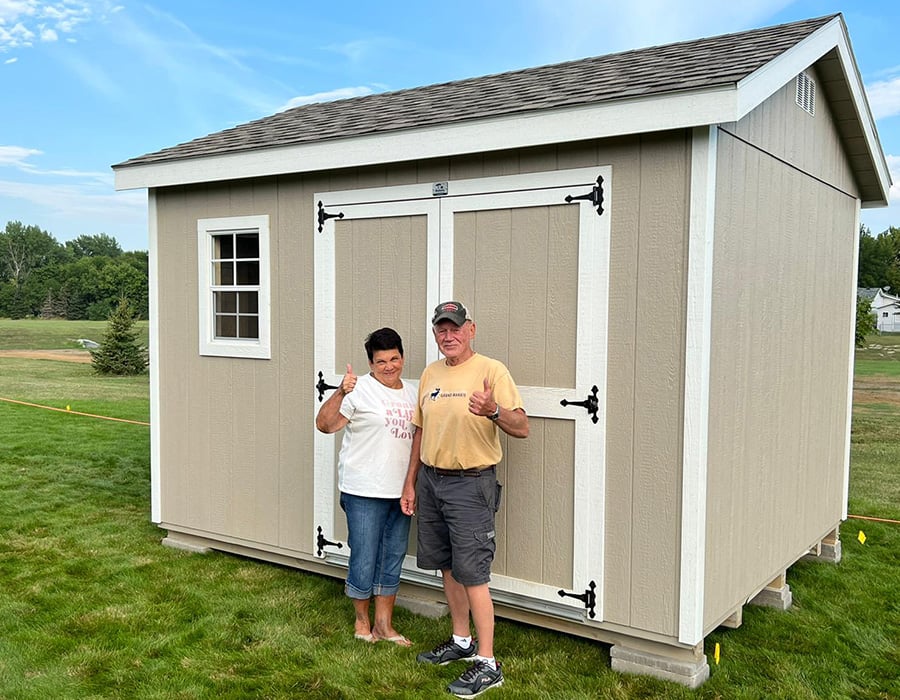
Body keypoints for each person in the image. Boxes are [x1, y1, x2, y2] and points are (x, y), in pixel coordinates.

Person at [401, 301, 528, 698]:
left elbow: (522, 426)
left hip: (471, 485)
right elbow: (419, 432)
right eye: (441, 329)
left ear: (470, 329)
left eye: (455, 328)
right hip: (432, 483)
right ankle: (461, 640)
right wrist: (411, 483)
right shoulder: (430, 373)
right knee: (447, 567)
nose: (448, 335)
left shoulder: (492, 370)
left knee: (473, 573)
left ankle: (488, 664)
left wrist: (493, 411)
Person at [316, 327, 417, 646]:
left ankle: (384, 626)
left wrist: (411, 485)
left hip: (399, 492)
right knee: (364, 556)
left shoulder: (413, 393)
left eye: (394, 358)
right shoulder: (358, 389)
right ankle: (362, 623)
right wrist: (341, 392)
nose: (389, 366)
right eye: (380, 361)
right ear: (370, 364)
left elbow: (418, 440)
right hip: (363, 490)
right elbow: (325, 424)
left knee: (392, 556)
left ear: (402, 357)